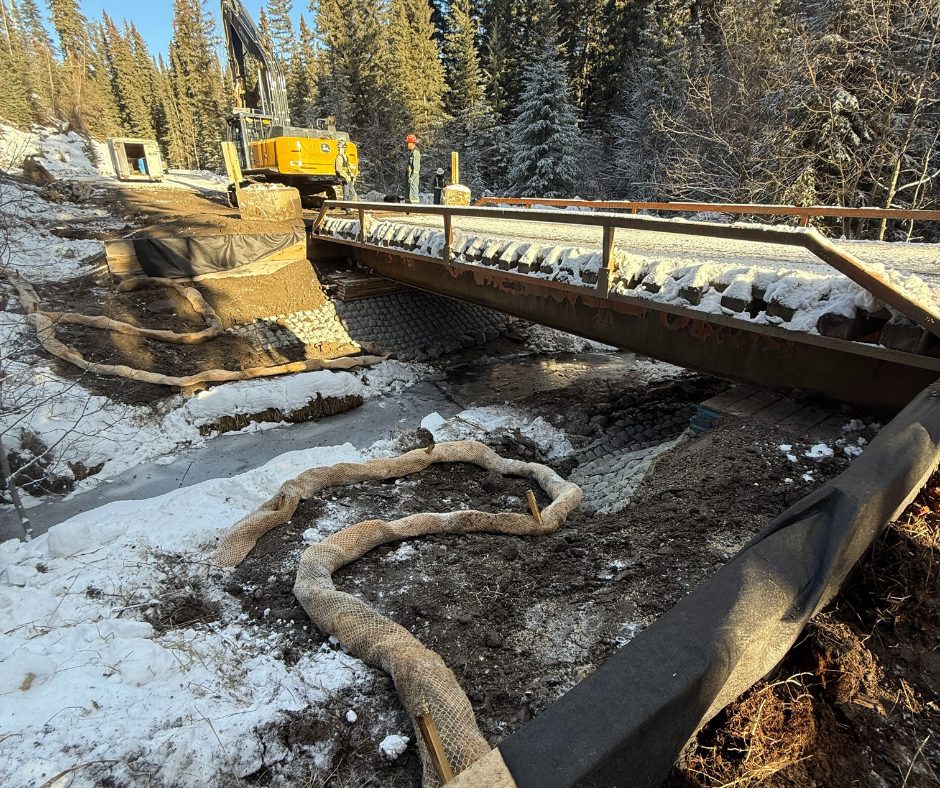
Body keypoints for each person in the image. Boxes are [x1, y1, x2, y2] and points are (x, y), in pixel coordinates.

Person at [405, 133, 420, 204]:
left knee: (413, 197)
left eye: (408, 143)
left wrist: (412, 178)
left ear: (412, 143)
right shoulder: (411, 152)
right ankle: (408, 208)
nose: (407, 145)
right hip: (409, 178)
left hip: (413, 179)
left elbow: (416, 168)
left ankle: (415, 209)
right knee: (408, 197)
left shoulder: (415, 152)